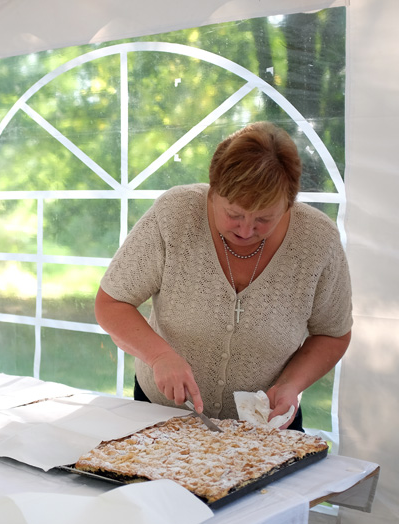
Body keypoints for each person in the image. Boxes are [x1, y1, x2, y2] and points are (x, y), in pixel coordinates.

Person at [95, 121, 352, 431]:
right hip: (161, 414)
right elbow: (112, 303)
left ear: (289, 203)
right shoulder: (175, 216)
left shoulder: (318, 241)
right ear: (213, 191)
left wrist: (291, 384)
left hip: (265, 426)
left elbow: (333, 334)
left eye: (264, 219)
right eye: (234, 214)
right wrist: (159, 356)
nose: (246, 230)